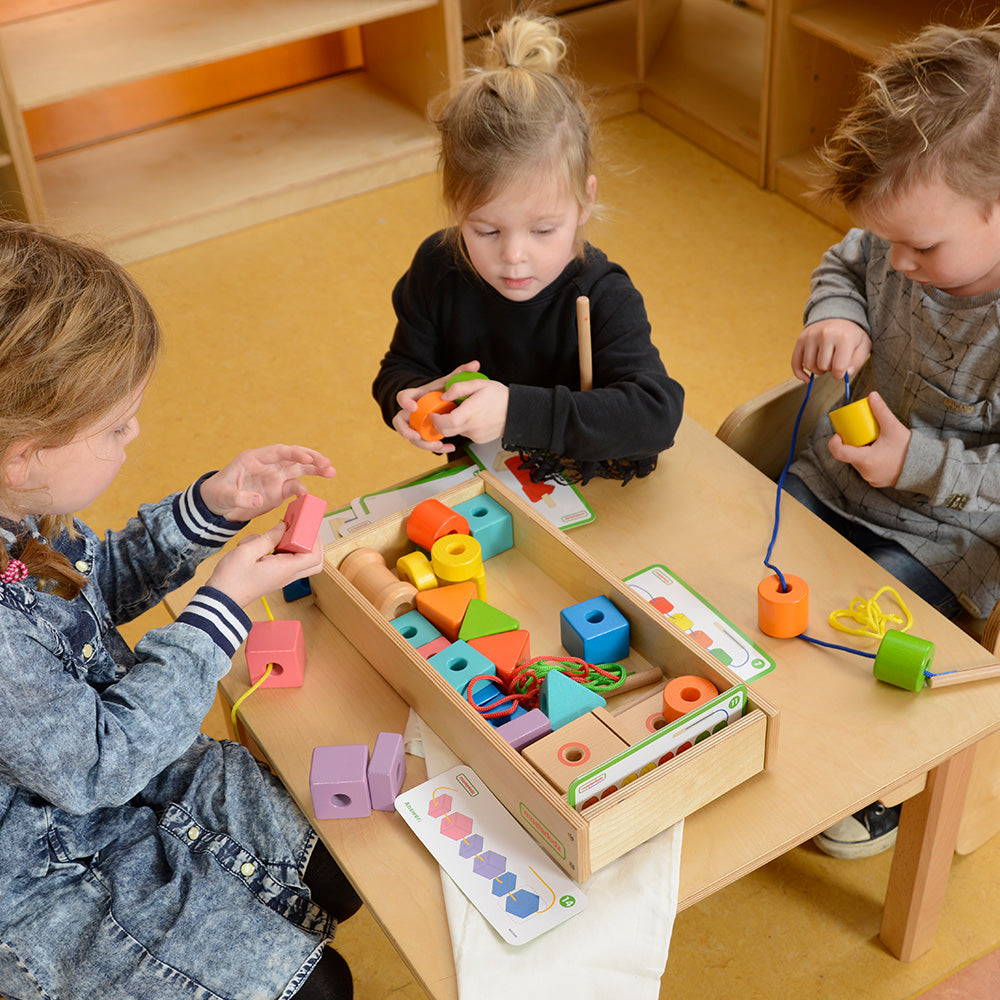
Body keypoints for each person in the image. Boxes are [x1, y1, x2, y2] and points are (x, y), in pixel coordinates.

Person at [0, 220, 360, 999]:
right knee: (319, 988)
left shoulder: (17, 512)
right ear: (25, 452)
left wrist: (212, 509)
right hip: (39, 880)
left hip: (130, 774)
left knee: (343, 858)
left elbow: (88, 584)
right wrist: (219, 609)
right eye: (116, 427)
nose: (136, 437)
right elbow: (99, 763)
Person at [784, 21, 1000, 858]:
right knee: (749, 575)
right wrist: (835, 313)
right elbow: (842, 264)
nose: (898, 262)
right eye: (890, 241)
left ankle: (877, 788)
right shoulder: (891, 239)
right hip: (839, 481)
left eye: (924, 245)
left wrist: (917, 462)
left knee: (855, 641)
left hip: (949, 539)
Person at [372, 12, 684, 485]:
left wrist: (516, 411)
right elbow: (401, 366)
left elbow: (656, 414)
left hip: (591, 487)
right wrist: (407, 398)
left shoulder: (602, 293)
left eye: (543, 230)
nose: (514, 256)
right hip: (486, 485)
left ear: (585, 201)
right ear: (457, 207)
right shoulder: (436, 268)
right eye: (487, 232)